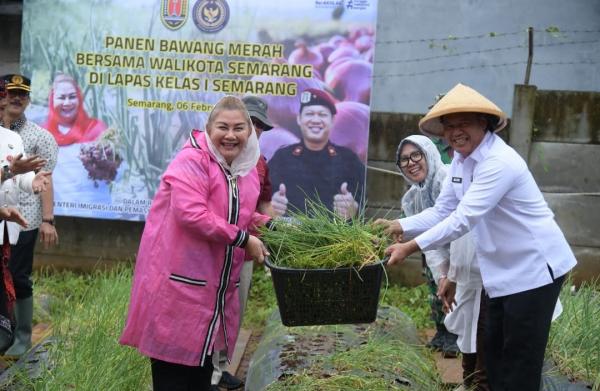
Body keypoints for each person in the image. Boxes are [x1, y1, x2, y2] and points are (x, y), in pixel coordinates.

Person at [383, 83, 577, 391]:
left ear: (483, 124)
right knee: (494, 353)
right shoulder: (461, 161)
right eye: (449, 126)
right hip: (502, 272)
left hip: (535, 270)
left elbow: (463, 218)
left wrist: (408, 247)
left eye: (464, 124)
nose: (456, 132)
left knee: (519, 361)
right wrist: (399, 224)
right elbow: (442, 210)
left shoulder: (499, 162)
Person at [120, 96, 271, 391]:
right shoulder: (192, 160)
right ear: (208, 128)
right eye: (222, 127)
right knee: (174, 378)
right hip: (178, 290)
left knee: (202, 376)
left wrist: (271, 226)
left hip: (213, 294)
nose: (230, 135)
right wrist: (244, 239)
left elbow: (239, 214)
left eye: (239, 128)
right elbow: (191, 214)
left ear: (250, 132)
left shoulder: (244, 169)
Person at [209, 95, 276, 391]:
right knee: (212, 307)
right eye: (252, 123)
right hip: (215, 247)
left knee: (235, 308)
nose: (256, 130)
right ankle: (207, 370)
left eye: (260, 125)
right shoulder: (214, 158)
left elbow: (263, 203)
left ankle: (221, 366)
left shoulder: (260, 162)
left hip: (245, 249)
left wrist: (271, 234)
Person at [375, 135, 459, 357]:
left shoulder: (447, 178)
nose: (411, 163)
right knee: (437, 291)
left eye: (416, 155)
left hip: (463, 250)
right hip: (437, 250)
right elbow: (416, 235)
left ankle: (456, 337)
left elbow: (446, 219)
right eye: (404, 160)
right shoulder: (413, 197)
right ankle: (443, 331)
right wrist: (380, 237)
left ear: (429, 153)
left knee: (462, 297)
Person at [1, 74, 59, 358]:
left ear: (28, 99)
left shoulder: (39, 137)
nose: (15, 98)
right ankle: (5, 331)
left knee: (18, 276)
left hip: (25, 219)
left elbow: (44, 180)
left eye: (21, 94)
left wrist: (48, 220)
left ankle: (22, 336)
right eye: (11, 92)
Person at [268, 88, 365, 219]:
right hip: (289, 235)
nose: (315, 120)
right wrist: (272, 205)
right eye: (309, 114)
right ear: (299, 119)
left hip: (335, 237)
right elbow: (263, 199)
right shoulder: (282, 158)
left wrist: (354, 208)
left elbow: (364, 201)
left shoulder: (349, 160)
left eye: (322, 114)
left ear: (333, 120)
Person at [41, 74, 107, 146]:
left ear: (79, 99)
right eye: (61, 98)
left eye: (72, 97)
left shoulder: (96, 129)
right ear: (52, 101)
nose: (67, 103)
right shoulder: (43, 134)